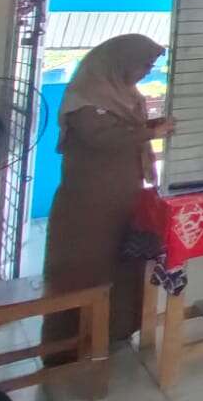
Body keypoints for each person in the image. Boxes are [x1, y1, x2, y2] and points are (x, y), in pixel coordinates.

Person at [41, 35, 172, 362]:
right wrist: (150, 132)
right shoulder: (86, 95)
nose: (147, 71)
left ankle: (114, 332)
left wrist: (151, 126)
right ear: (119, 62)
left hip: (126, 198)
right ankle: (67, 346)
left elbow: (125, 129)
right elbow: (101, 137)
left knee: (123, 265)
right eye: (143, 64)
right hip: (89, 206)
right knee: (85, 271)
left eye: (151, 66)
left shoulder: (125, 94)